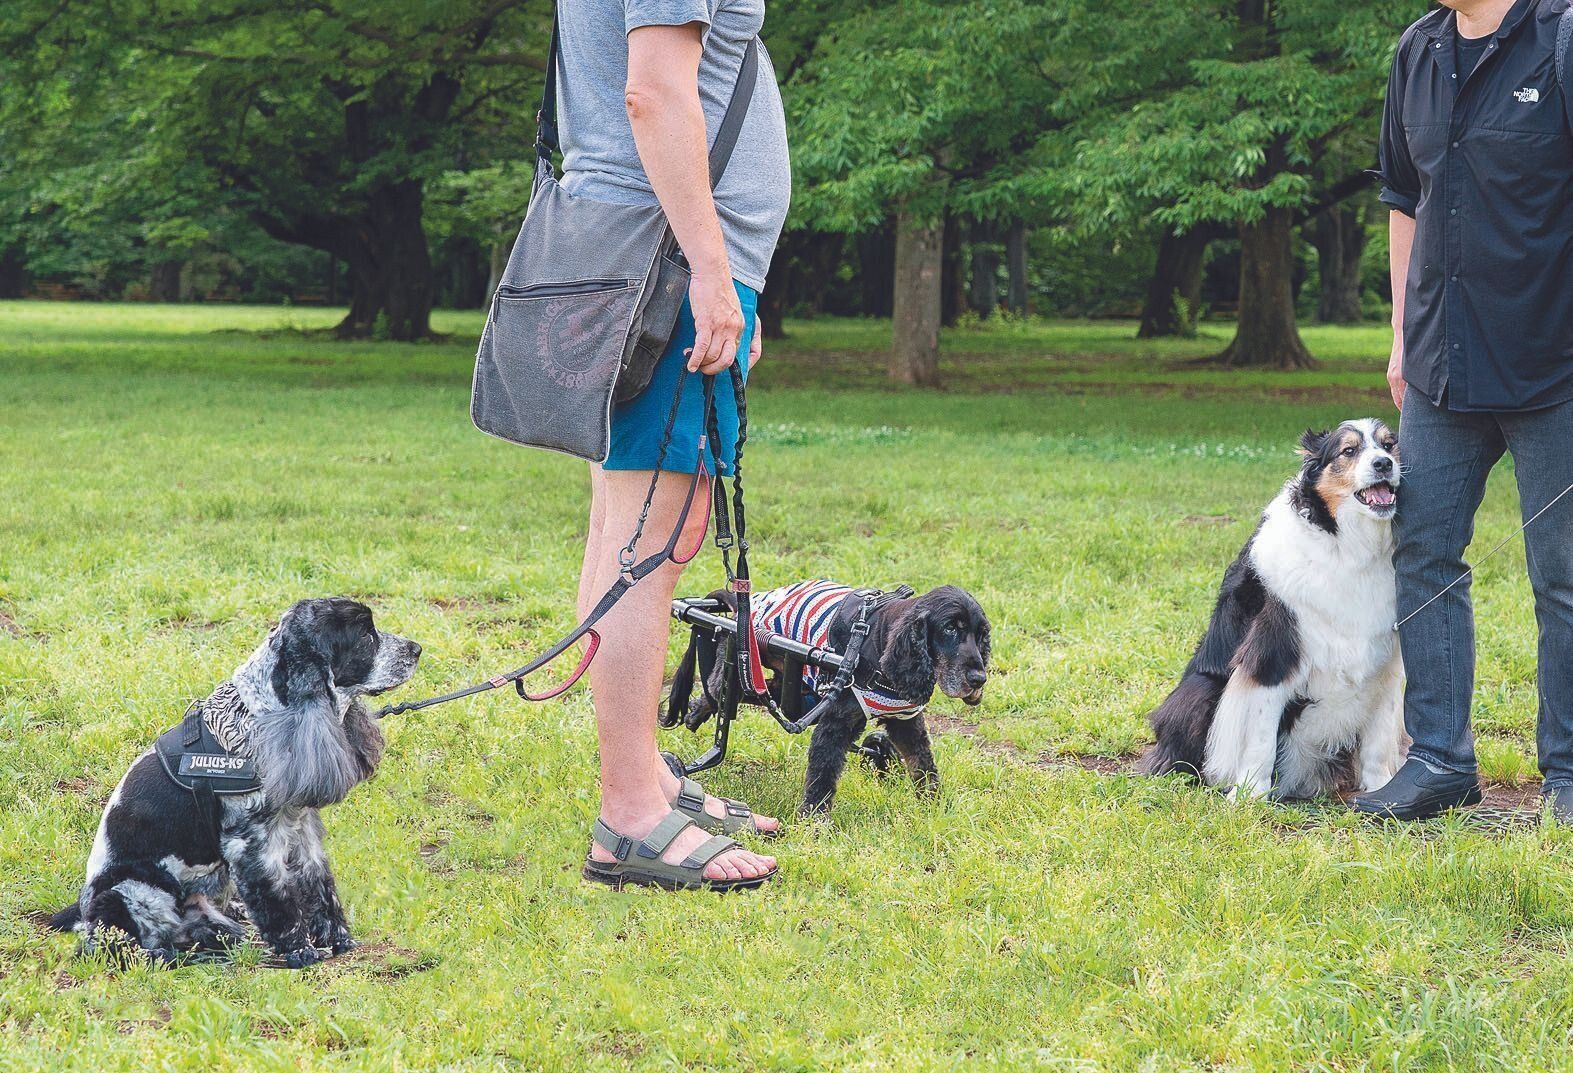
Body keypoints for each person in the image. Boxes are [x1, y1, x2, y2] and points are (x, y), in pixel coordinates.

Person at [561, 1, 792, 888]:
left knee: (627, 523)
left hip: (642, 247)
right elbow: (653, 92)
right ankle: (630, 813)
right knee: (651, 537)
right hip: (662, 257)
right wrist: (711, 271)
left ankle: (645, 778)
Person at [1355, 0, 1573, 821]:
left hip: (1554, 365)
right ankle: (1439, 759)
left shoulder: (1561, 38)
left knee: (1564, 576)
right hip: (1441, 366)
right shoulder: (1416, 50)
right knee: (1421, 553)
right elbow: (1402, 197)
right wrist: (1399, 335)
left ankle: (1568, 775)